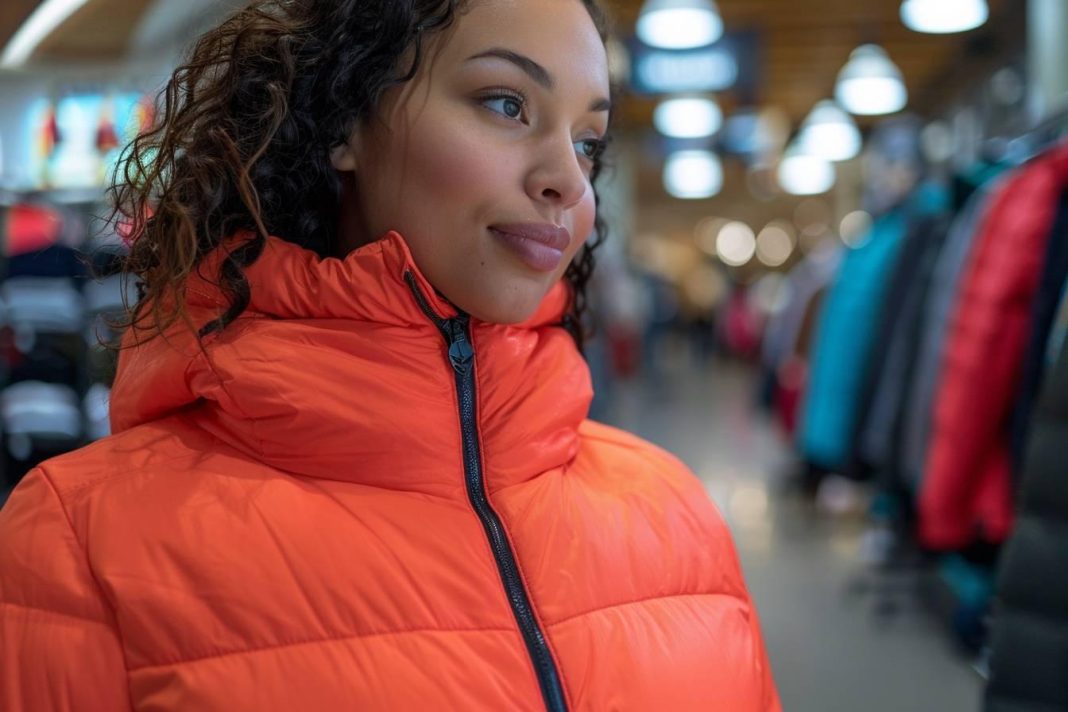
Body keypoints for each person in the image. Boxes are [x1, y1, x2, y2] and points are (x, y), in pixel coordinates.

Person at [0, 0, 779, 709]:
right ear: (343, 122)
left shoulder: (676, 514)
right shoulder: (81, 540)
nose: (567, 182)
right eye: (506, 104)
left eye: (587, 142)